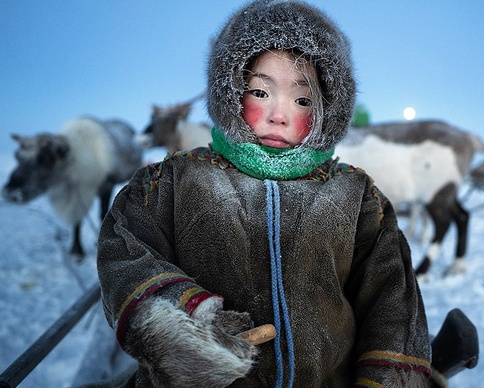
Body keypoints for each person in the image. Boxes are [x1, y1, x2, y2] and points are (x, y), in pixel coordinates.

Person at [97, 0, 432, 386]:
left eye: (303, 100)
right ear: (231, 93)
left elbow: (392, 301)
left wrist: (386, 378)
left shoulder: (355, 196)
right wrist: (182, 322)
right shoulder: (173, 180)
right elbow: (126, 249)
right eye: (260, 92)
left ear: (329, 109)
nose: (279, 114)